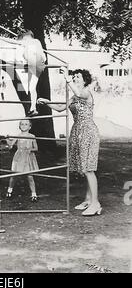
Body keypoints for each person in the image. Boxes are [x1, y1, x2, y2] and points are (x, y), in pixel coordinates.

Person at [38, 68, 101, 216]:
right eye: (74, 77)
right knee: (84, 167)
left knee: (88, 168)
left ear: (85, 80)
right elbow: (60, 108)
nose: (75, 78)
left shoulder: (85, 92)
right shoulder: (74, 96)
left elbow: (79, 93)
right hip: (77, 130)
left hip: (88, 131)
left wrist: (66, 79)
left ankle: (95, 203)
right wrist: (47, 102)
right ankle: (88, 199)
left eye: (78, 77)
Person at [5, 119, 39, 201]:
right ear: (19, 126)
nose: (24, 126)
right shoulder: (18, 136)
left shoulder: (32, 136)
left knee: (30, 176)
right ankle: (9, 190)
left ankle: (34, 194)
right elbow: (11, 145)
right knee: (14, 175)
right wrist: (7, 139)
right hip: (19, 157)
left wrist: (30, 149)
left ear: (30, 127)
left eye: (26, 124)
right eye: (22, 124)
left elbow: (36, 148)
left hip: (28, 157)